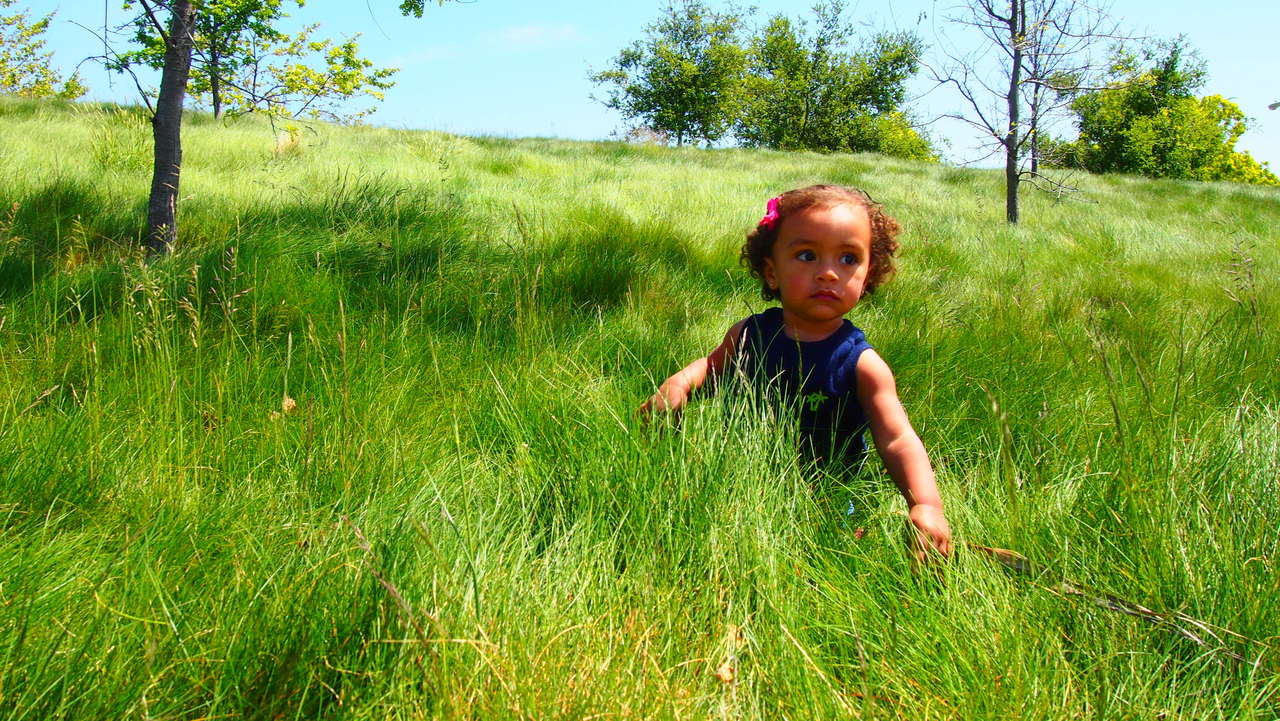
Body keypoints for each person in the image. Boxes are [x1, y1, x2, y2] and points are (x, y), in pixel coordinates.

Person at [640, 184, 952, 560]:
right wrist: (679, 385)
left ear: (868, 276)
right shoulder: (748, 336)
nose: (828, 274)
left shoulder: (861, 364)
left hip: (825, 500)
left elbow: (897, 439)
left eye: (848, 259)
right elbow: (710, 368)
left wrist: (927, 505)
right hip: (737, 486)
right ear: (772, 272)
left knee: (824, 559)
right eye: (807, 255)